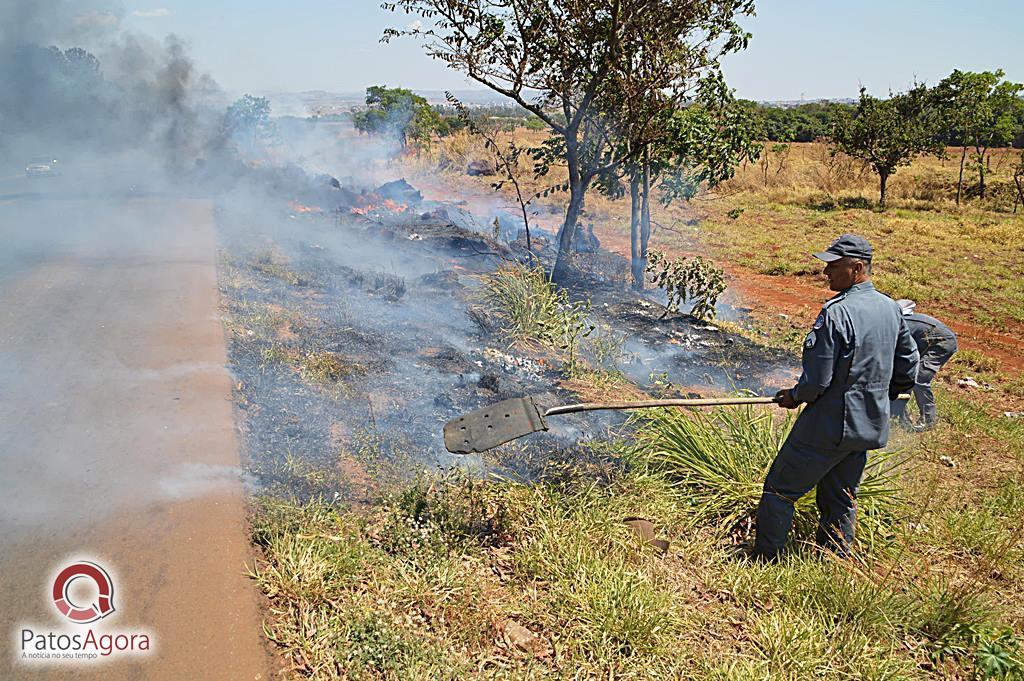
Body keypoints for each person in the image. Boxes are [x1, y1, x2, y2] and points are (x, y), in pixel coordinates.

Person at [752, 234, 919, 561]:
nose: (825, 270)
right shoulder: (891, 309)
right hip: (866, 427)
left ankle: (765, 560)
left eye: (833, 264)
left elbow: (818, 382)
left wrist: (795, 396)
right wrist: (880, 396)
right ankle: (833, 560)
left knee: (779, 491)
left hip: (829, 426)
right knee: (840, 496)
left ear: (857, 268)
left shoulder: (836, 313)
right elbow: (908, 366)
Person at [890, 300, 957, 430]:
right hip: (929, 342)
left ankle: (928, 421)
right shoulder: (896, 321)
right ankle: (897, 415)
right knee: (906, 375)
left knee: (919, 379)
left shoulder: (898, 324)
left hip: (942, 342)